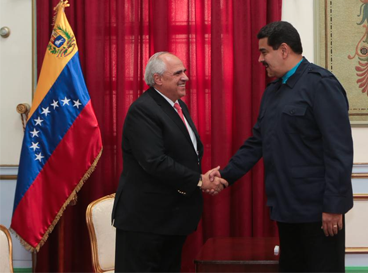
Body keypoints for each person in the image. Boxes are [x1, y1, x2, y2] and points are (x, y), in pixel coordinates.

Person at [211, 21, 354, 273]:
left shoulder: (321, 84)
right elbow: (257, 143)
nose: (259, 59)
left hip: (318, 212)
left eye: (264, 52)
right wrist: (224, 175)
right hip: (286, 208)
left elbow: (339, 150)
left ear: (284, 50)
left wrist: (334, 206)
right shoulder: (273, 92)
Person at [112, 52, 228, 273]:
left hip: (172, 219)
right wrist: (199, 181)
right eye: (178, 73)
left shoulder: (178, 107)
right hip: (145, 221)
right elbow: (154, 160)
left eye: (184, 71)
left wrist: (202, 178)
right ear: (158, 79)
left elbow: (185, 155)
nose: (186, 77)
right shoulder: (143, 109)